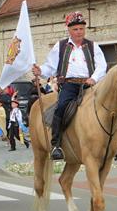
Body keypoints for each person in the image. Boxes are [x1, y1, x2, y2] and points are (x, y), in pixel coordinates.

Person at [32, 11, 107, 160]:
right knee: (61, 107)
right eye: (75, 29)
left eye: (81, 28)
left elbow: (102, 66)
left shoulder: (93, 46)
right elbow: (50, 67)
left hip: (90, 85)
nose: (79, 32)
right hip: (69, 85)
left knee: (110, 104)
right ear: (69, 30)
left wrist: (93, 78)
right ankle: (56, 145)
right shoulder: (60, 46)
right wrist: (40, 71)